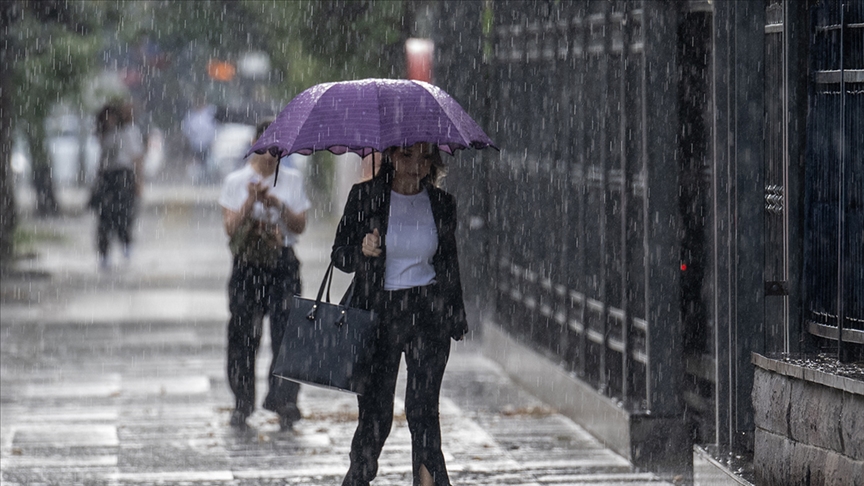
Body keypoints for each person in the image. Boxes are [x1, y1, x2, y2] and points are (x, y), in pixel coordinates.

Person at [331, 142, 469, 486]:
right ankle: (359, 477)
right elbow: (340, 256)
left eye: (425, 157)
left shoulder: (441, 204)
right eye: (407, 155)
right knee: (376, 413)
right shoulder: (366, 197)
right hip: (380, 314)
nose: (416, 165)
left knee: (423, 411)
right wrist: (364, 250)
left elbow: (449, 265)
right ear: (391, 155)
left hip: (428, 314)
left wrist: (455, 314)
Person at [218, 118, 311, 431]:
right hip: (248, 265)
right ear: (254, 146)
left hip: (282, 262)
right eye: (265, 147)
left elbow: (299, 225)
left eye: (277, 148)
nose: (271, 155)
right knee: (243, 333)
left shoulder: (292, 180)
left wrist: (276, 204)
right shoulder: (237, 180)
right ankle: (242, 400)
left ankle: (284, 399)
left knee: (288, 333)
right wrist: (250, 201)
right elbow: (230, 229)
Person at [92, 100, 145, 269]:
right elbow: (102, 160)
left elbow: (136, 158)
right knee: (104, 218)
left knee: (123, 215)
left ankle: (126, 246)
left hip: (123, 177)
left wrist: (138, 180)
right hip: (107, 178)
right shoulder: (105, 135)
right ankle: (104, 254)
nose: (110, 120)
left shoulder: (129, 132)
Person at [181, 97, 217, 183]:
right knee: (196, 165)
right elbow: (187, 130)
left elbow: (214, 129)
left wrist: (213, 141)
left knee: (207, 164)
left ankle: (207, 180)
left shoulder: (210, 113)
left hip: (207, 144)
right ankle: (197, 180)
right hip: (195, 145)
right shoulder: (191, 116)